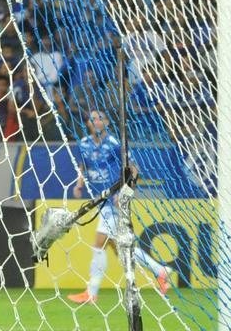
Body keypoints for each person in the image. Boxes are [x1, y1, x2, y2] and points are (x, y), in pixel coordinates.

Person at [67, 110, 171, 304]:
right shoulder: (83, 144)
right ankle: (161, 271)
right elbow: (83, 167)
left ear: (106, 122)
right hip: (100, 199)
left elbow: (134, 169)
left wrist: (126, 192)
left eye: (100, 118)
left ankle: (91, 292)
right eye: (92, 119)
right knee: (121, 248)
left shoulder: (115, 144)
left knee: (99, 244)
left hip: (114, 200)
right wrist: (79, 183)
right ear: (88, 124)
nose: (96, 121)